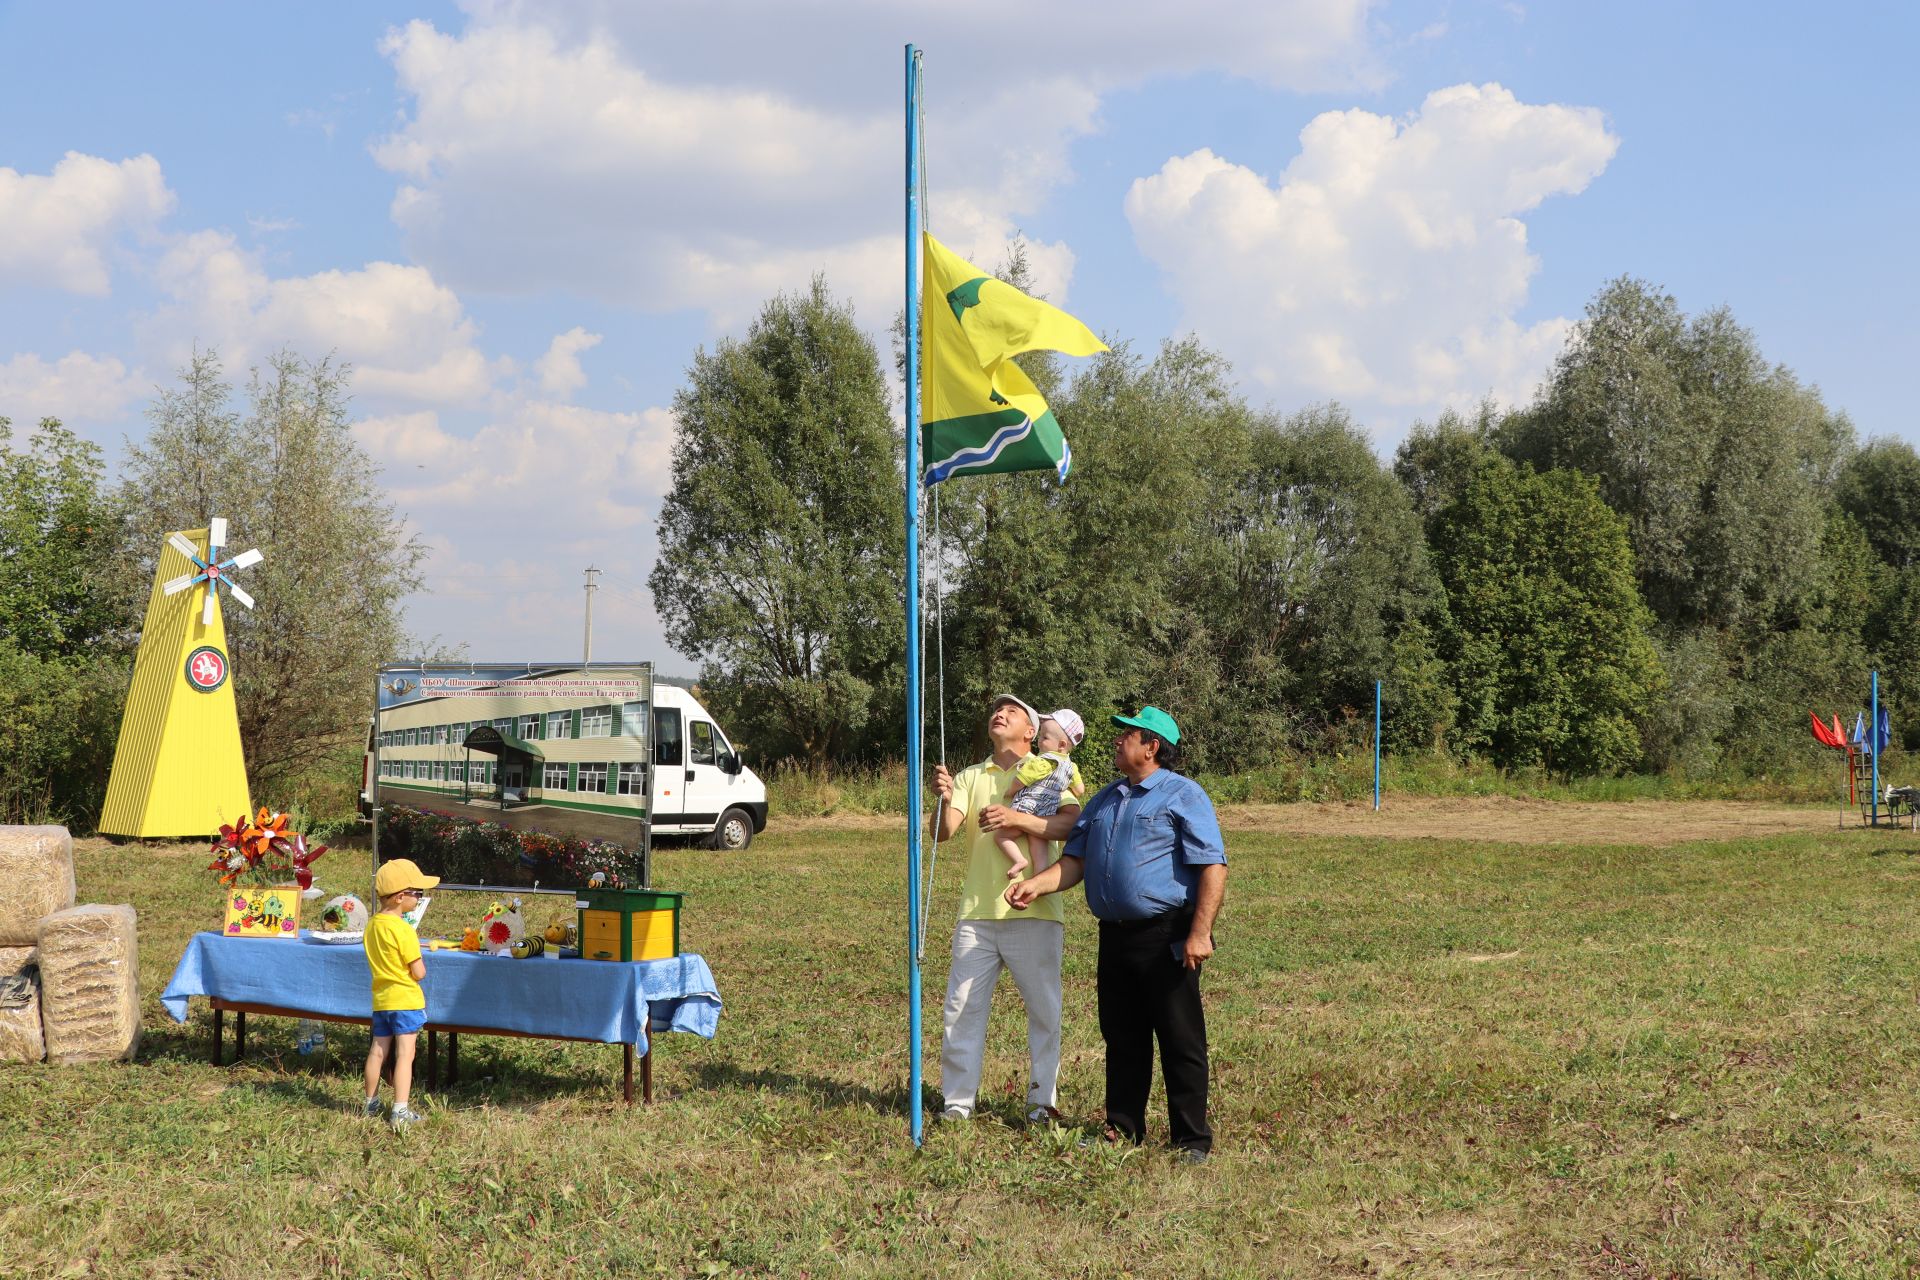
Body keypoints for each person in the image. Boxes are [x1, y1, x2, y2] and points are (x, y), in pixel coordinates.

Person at [1005, 705, 1226, 1161]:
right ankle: (1123, 1129)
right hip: (1115, 936)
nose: (1118, 739)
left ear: (1153, 746)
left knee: (1180, 1038)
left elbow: (1212, 866)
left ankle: (1191, 1139)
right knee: (1122, 1036)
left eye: (1128, 734)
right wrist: (1035, 884)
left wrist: (1199, 933)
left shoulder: (1182, 795)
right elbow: (1075, 863)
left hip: (1165, 933)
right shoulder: (1104, 799)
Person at [931, 694, 1083, 1124]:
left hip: (1036, 911)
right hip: (977, 913)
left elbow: (1072, 823)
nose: (999, 713)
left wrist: (1019, 821)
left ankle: (1041, 1104)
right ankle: (957, 1104)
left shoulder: (1052, 765)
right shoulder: (970, 775)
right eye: (996, 709)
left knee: (1044, 1012)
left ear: (1031, 732)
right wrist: (942, 799)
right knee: (961, 1010)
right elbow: (943, 833)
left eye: (1012, 711)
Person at [364, 856, 439, 1132]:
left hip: (381, 1000)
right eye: (416, 893)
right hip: (406, 1001)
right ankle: (400, 1110)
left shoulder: (372, 925)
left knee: (377, 1052)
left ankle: (369, 1104)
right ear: (398, 897)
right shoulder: (404, 929)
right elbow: (418, 973)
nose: (419, 898)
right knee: (405, 1055)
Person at [993, 709, 1086, 879]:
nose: (1040, 741)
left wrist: (1009, 792)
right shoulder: (1071, 768)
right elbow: (1080, 790)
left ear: (1062, 744)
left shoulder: (1041, 761)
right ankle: (1038, 879)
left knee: (1001, 836)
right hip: (1045, 816)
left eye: (1045, 737)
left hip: (1025, 807)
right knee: (1040, 850)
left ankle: (1018, 860)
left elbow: (1022, 780)